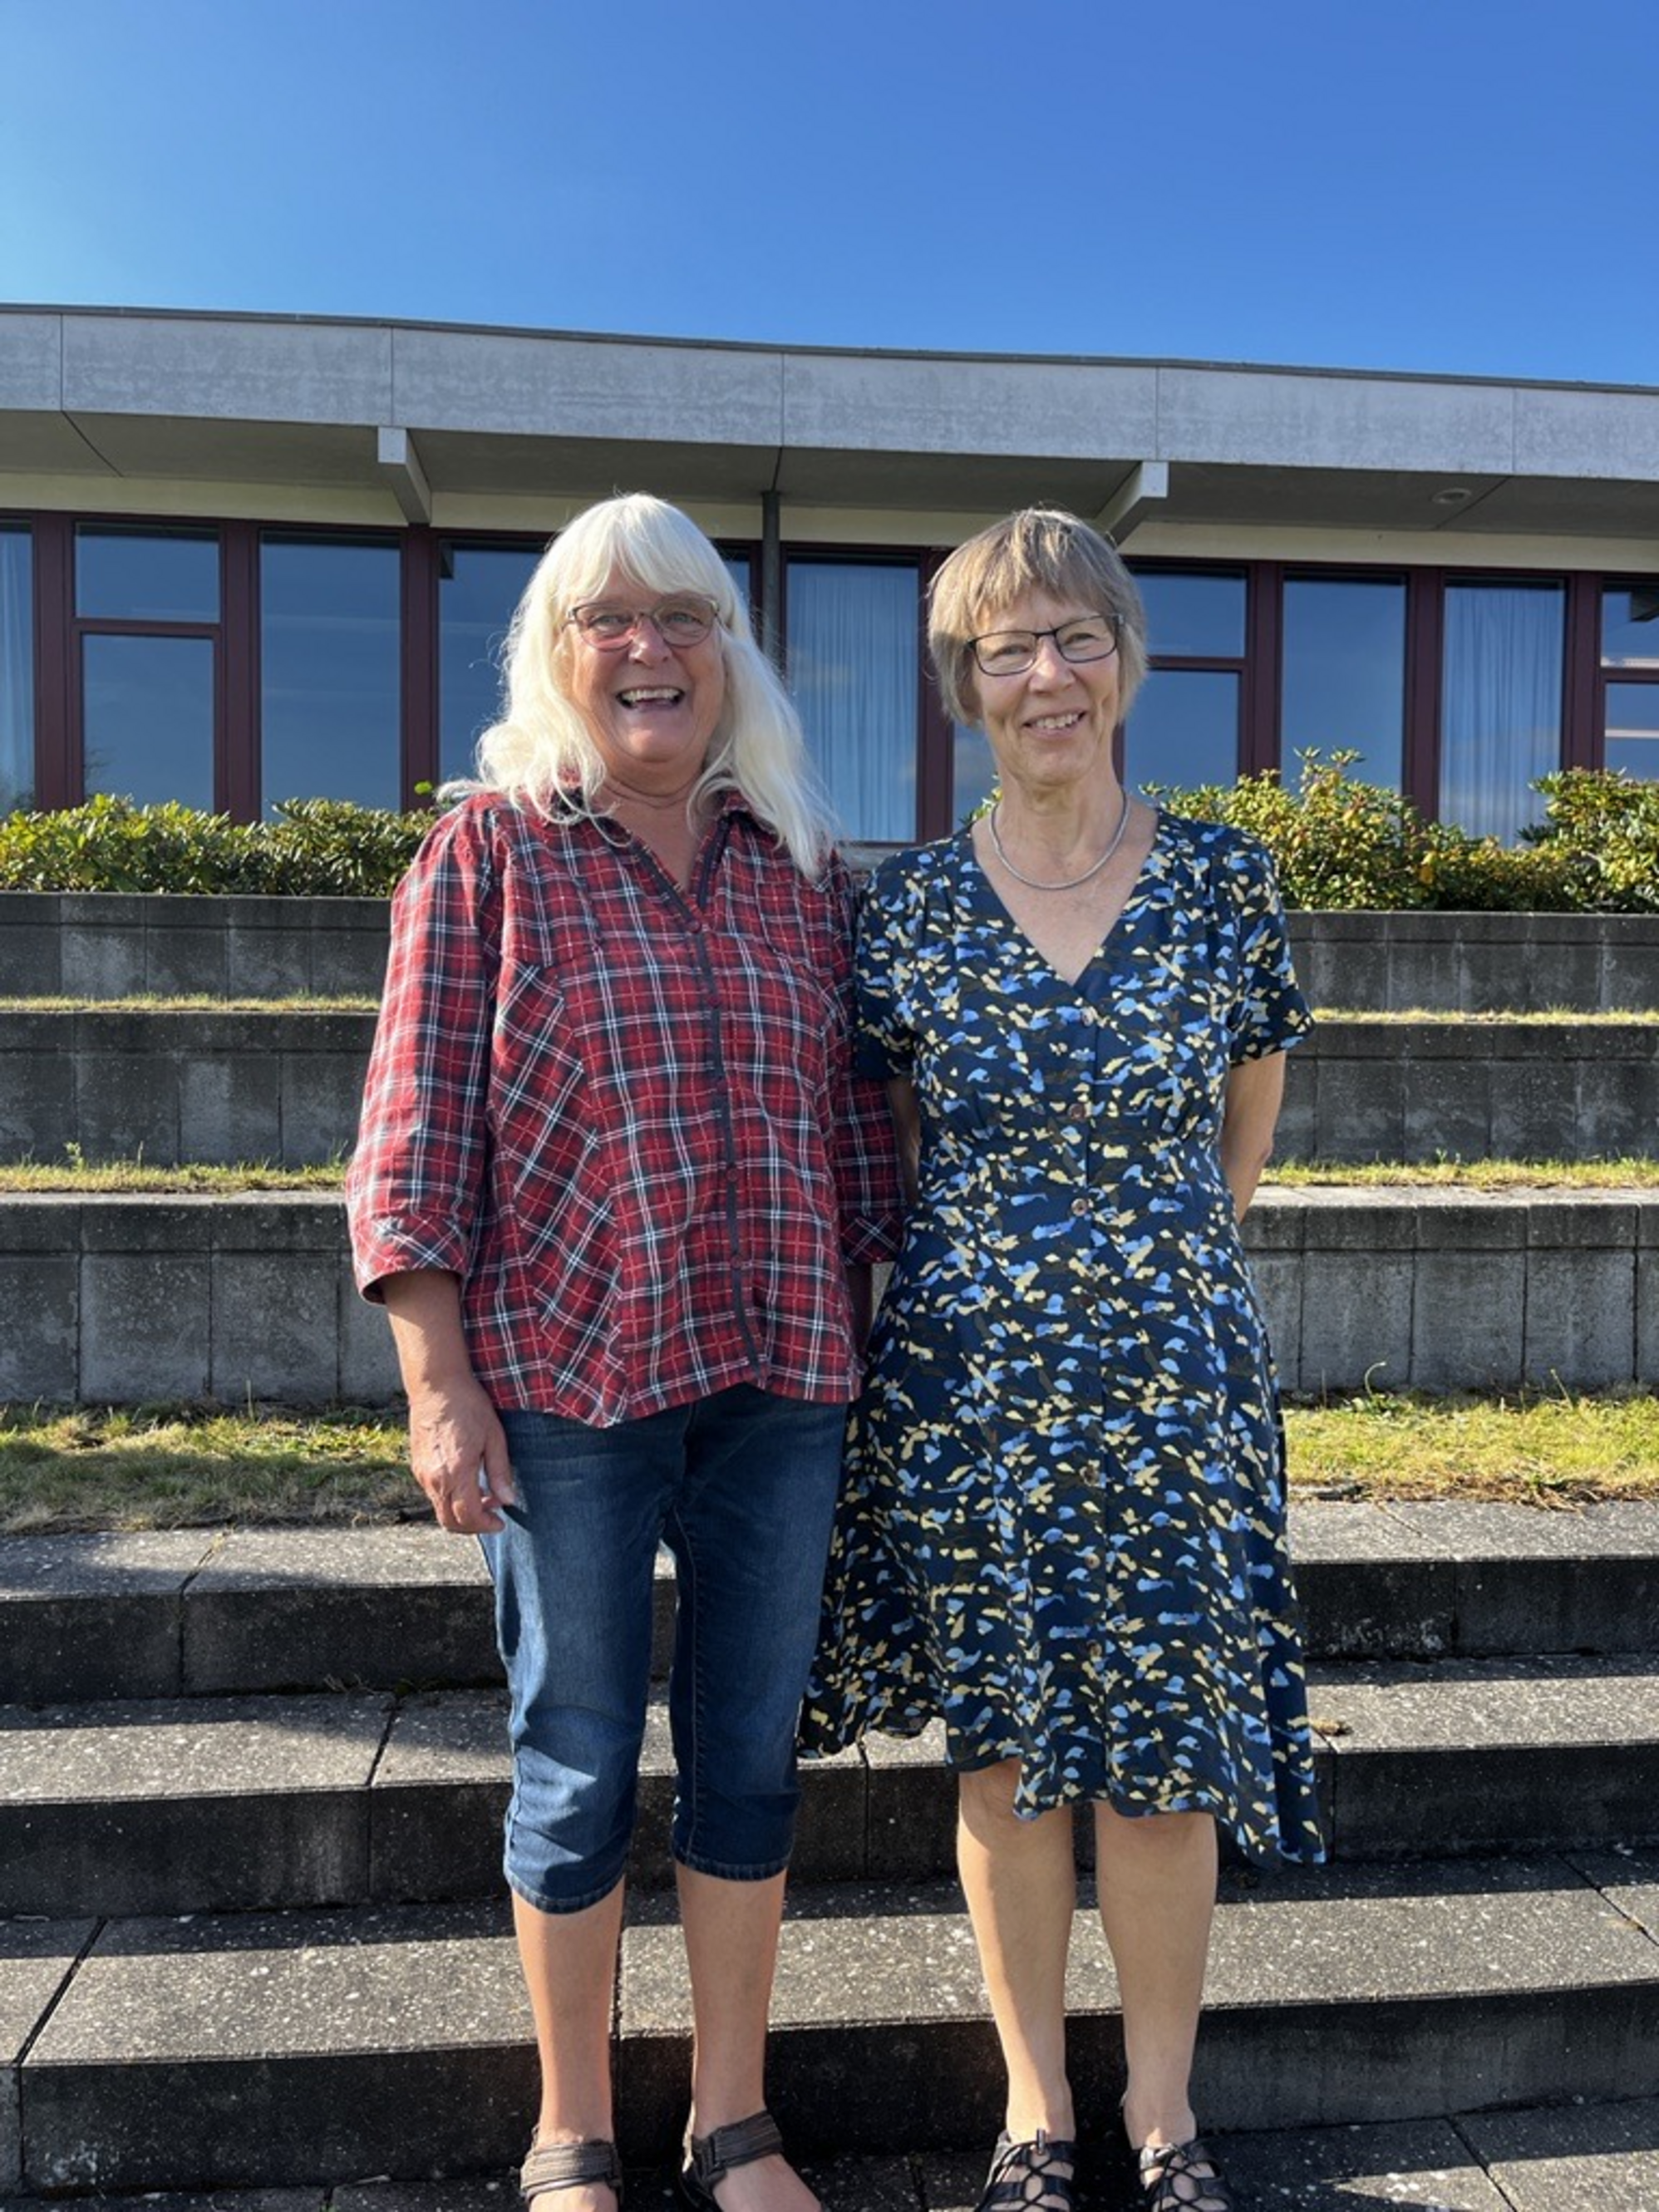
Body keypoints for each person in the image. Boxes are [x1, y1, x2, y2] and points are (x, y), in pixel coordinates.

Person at [346, 493, 902, 2212]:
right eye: (608, 619)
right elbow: (412, 1134)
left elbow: (858, 1144)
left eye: (682, 616)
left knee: (747, 1757)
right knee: (577, 1754)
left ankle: (732, 2122)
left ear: (727, 650)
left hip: (779, 1385)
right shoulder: (487, 856)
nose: (647, 648)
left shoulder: (805, 870)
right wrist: (437, 1385)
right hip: (564, 1388)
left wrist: (861, 1345)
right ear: (556, 651)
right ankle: (571, 2130)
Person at [800, 508, 1323, 2212]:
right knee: (1009, 1760)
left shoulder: (1225, 884)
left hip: (1175, 1388)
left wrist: (1143, 1281)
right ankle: (1034, 2112)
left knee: (1166, 1761)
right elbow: (898, 1144)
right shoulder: (905, 910)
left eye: (1077, 638)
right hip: (970, 1395)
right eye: (1007, 647)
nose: (1047, 675)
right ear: (964, 684)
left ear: (1125, 661)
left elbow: (1242, 1131)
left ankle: (1163, 2116)